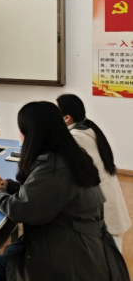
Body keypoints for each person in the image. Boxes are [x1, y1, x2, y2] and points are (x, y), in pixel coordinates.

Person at [0, 101, 129, 281]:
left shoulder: (54, 166)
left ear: (32, 133)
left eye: (20, 129)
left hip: (71, 254)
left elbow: (21, 210)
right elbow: (44, 194)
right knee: (11, 251)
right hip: (81, 242)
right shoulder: (69, 154)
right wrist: (10, 187)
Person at [57, 93, 131, 250]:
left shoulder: (76, 137)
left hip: (99, 202)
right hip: (104, 198)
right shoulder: (89, 129)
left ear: (67, 118)